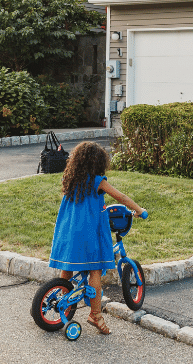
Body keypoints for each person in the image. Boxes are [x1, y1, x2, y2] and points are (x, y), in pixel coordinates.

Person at [49, 141, 144, 335]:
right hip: (88, 232)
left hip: (67, 230)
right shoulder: (97, 181)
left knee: (67, 267)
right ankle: (95, 314)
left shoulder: (71, 179)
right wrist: (139, 210)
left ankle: (62, 303)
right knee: (95, 269)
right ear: (98, 162)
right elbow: (122, 197)